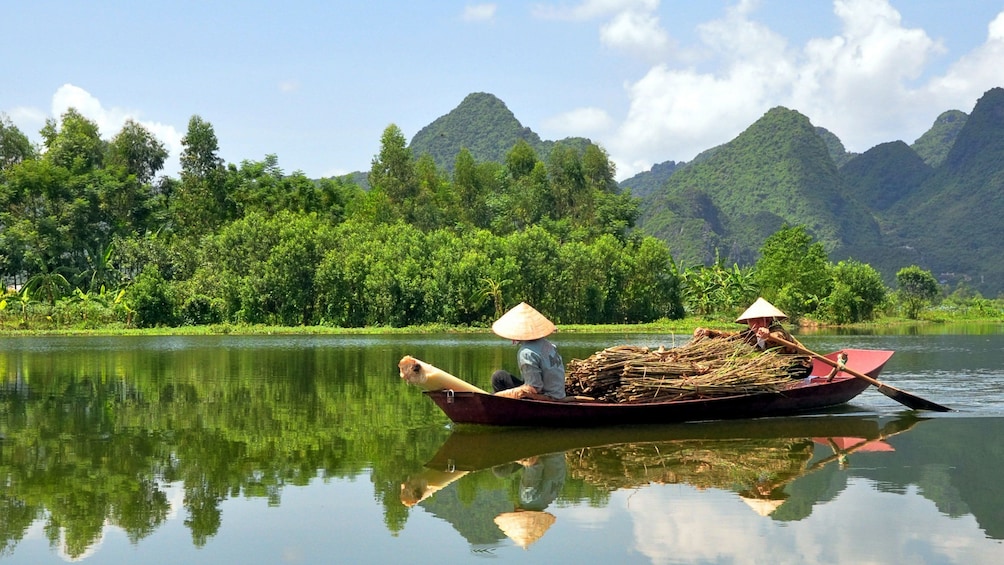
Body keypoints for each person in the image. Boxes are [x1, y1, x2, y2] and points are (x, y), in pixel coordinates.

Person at [490, 302, 567, 400]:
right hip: (559, 394)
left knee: (497, 385)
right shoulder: (548, 344)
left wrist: (498, 395)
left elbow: (534, 388)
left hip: (546, 397)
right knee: (499, 377)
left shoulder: (526, 352)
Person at [693, 297, 805, 354]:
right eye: (752, 320)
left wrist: (768, 336)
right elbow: (728, 336)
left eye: (760, 320)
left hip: (800, 366)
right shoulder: (749, 334)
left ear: (768, 320)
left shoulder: (777, 330)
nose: (756, 323)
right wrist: (707, 332)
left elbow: (778, 337)